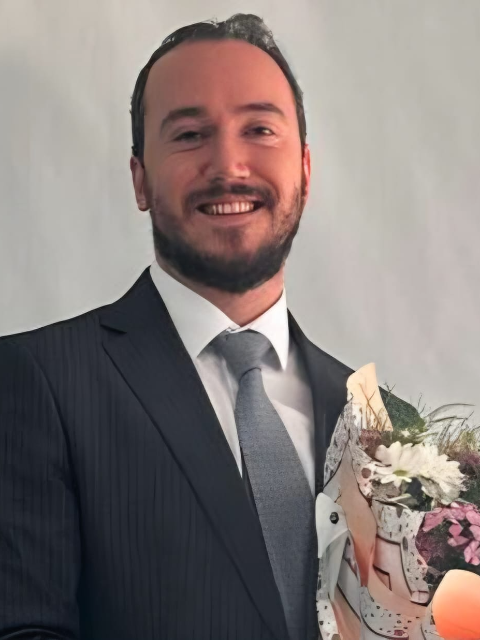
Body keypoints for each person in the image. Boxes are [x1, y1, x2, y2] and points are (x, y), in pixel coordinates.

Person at [0, 13, 396, 640]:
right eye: (189, 135)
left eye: (259, 129)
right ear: (140, 180)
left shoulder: (373, 416)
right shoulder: (36, 381)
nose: (229, 165)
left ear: (305, 170)